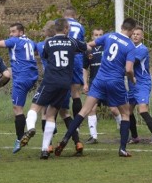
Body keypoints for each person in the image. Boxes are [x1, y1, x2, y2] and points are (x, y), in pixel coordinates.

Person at [55, 18, 139, 157]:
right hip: (115, 82)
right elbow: (129, 69)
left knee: (85, 110)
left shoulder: (109, 35)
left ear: (122, 26)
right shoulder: (130, 46)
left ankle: (65, 139)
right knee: (125, 114)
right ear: (131, 30)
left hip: (99, 79)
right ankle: (122, 149)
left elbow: (89, 45)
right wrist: (132, 79)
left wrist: (86, 53)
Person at [28, 18, 88, 158]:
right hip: (65, 83)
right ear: (67, 29)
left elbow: (45, 56)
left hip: (50, 81)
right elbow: (85, 47)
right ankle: (77, 142)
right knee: (63, 113)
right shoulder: (72, 41)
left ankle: (40, 140)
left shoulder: (46, 43)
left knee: (40, 110)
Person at [0, 22, 40, 153]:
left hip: (21, 78)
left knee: (17, 109)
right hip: (32, 75)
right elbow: (36, 50)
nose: (11, 34)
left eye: (13, 31)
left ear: (21, 32)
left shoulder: (15, 41)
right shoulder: (30, 42)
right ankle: (50, 130)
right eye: (10, 31)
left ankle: (19, 139)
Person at [126, 26, 152, 145]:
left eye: (138, 34)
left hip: (142, 83)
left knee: (142, 110)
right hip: (132, 83)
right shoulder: (128, 48)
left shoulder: (143, 49)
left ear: (142, 37)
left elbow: (132, 64)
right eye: (134, 34)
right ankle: (135, 137)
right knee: (128, 111)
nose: (135, 36)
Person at [84, 27, 120, 143]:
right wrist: (85, 83)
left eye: (100, 35)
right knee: (91, 109)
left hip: (108, 82)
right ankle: (93, 136)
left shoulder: (108, 48)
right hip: (95, 83)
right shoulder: (89, 50)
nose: (98, 37)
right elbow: (84, 68)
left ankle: (123, 130)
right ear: (92, 36)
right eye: (96, 35)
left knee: (114, 109)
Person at [63, 6, 88, 122]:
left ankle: (57, 117)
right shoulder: (80, 27)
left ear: (65, 15)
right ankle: (77, 123)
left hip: (63, 56)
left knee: (61, 88)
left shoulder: (60, 24)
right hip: (77, 57)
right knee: (76, 91)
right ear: (74, 15)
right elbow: (82, 43)